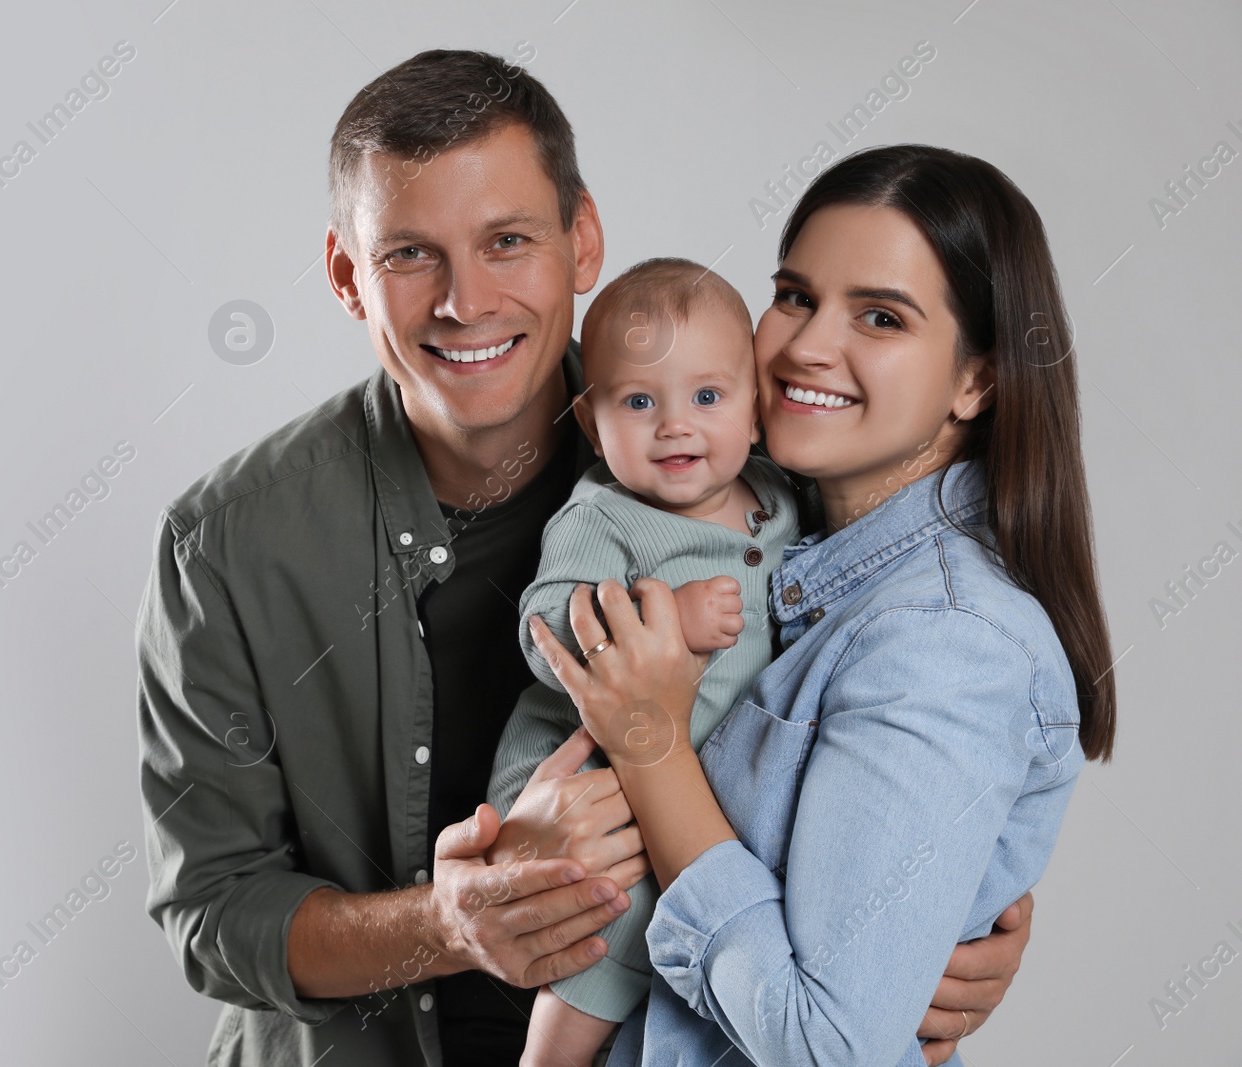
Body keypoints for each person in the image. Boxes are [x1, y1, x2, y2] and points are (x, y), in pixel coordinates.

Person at [136, 49, 1032, 1067]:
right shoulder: (227, 542)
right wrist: (453, 919)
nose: (464, 301)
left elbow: (889, 734)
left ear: (583, 239)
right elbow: (213, 908)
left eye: (507, 241)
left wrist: (948, 903)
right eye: (407, 255)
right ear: (345, 275)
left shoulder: (743, 462)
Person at [526, 144, 1116, 1066]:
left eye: (880, 316)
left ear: (978, 379)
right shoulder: (774, 541)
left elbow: (825, 1047)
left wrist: (651, 742)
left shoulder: (944, 641)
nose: (805, 345)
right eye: (795, 295)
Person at [487, 258, 798, 1066]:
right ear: (593, 425)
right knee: (622, 907)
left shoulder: (781, 498)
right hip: (587, 780)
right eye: (638, 402)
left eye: (707, 396)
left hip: (686, 783)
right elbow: (542, 628)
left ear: (756, 409)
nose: (675, 425)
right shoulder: (606, 515)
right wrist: (668, 620)